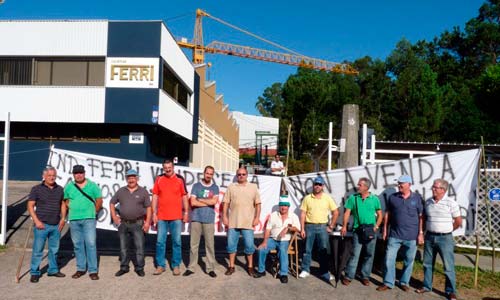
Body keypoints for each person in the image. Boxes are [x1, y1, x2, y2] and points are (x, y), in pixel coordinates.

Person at [415, 179, 461, 300]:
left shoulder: (451, 203)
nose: (433, 189)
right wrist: (422, 233)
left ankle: (451, 291)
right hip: (429, 237)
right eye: (433, 187)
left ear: (443, 190)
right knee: (427, 263)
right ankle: (426, 286)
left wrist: (447, 230)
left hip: (445, 238)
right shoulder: (429, 202)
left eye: (436, 187)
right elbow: (424, 218)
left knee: (448, 266)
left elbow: (458, 221)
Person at [377, 174, 424, 292]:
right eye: (398, 183)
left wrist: (421, 233)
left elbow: (421, 216)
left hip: (412, 236)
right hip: (394, 235)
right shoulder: (393, 197)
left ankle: (404, 282)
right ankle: (388, 282)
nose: (399, 185)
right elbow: (387, 214)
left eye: (401, 183)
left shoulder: (417, 198)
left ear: (409, 184)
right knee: (389, 259)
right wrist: (385, 230)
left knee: (409, 261)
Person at [27, 167, 67, 283]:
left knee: (54, 250)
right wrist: (37, 221)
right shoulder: (36, 189)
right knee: (38, 250)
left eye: (53, 175)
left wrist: (63, 219)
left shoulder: (60, 189)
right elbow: (30, 206)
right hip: (41, 225)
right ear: (44, 176)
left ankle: (53, 270)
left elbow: (63, 204)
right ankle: (34, 272)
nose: (52, 177)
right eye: (49, 175)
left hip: (56, 225)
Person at [109, 169, 151, 277]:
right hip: (123, 223)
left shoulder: (143, 192)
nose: (131, 179)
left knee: (139, 247)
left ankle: (139, 268)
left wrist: (147, 223)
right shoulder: (121, 191)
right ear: (126, 178)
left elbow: (149, 208)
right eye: (129, 177)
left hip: (138, 223)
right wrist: (114, 216)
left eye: (133, 177)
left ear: (137, 178)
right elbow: (112, 203)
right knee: (123, 247)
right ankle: (124, 267)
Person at [341, 177, 383, 286]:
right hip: (357, 231)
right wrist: (344, 226)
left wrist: (376, 226)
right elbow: (346, 213)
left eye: (360, 185)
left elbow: (380, 215)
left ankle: (365, 276)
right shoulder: (353, 198)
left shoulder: (374, 199)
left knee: (369, 254)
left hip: (370, 232)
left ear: (366, 187)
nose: (358, 186)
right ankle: (349, 276)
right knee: (355, 254)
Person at [64, 164, 103, 280]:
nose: (79, 175)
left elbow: (99, 200)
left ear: (84, 173)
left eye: (81, 173)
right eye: (76, 173)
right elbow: (65, 199)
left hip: (89, 219)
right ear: (73, 175)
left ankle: (93, 270)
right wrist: (70, 206)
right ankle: (80, 269)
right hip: (74, 219)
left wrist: (94, 211)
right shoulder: (69, 186)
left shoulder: (92, 185)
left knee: (90, 244)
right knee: (77, 245)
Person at [152, 159, 189, 276]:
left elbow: (184, 196)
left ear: (173, 167)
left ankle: (176, 265)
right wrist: (154, 213)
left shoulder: (179, 179)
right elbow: (155, 196)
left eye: (170, 167)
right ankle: (160, 265)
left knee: (177, 242)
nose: (168, 170)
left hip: (176, 216)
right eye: (165, 168)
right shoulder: (159, 179)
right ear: (163, 168)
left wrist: (186, 212)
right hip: (162, 216)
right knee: (160, 242)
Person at [222, 167, 261, 276]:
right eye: (239, 174)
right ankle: (231, 266)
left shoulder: (253, 187)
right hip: (233, 222)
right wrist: (224, 217)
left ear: (247, 175)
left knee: (249, 246)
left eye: (243, 174)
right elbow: (225, 203)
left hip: (248, 223)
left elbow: (258, 204)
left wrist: (257, 218)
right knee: (231, 246)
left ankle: (250, 267)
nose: (241, 176)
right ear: (236, 175)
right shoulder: (231, 187)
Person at [299, 176, 338, 281]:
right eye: (316, 184)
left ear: (323, 186)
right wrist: (302, 229)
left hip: (322, 227)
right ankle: (305, 269)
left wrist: (331, 226)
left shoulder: (327, 198)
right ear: (313, 185)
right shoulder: (307, 198)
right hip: (309, 226)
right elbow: (302, 214)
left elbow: (336, 212)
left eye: (320, 184)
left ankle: (324, 272)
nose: (317, 186)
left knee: (323, 251)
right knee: (307, 250)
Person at [254, 196, 301, 283]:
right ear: (279, 206)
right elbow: (268, 229)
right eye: (282, 205)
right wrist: (264, 242)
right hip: (273, 239)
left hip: (285, 240)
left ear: (288, 207)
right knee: (261, 249)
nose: (283, 207)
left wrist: (288, 228)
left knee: (283, 251)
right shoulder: (273, 215)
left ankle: (283, 274)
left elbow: (298, 229)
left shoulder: (293, 216)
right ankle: (261, 270)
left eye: (285, 205)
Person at [183, 166, 219, 278]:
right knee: (193, 245)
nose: (208, 175)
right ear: (204, 173)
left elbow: (215, 201)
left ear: (213, 175)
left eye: (211, 174)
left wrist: (201, 200)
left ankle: (210, 268)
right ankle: (191, 267)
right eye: (207, 173)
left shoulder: (215, 187)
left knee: (210, 245)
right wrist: (208, 202)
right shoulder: (196, 186)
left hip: (209, 219)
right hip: (196, 219)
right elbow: (193, 203)